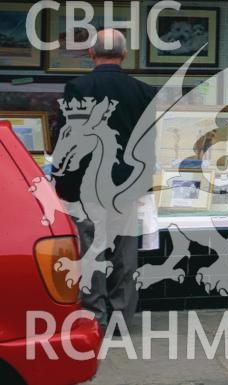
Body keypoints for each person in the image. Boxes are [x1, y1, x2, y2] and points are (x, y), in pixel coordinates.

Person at [54, 28, 155, 325]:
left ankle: (94, 315)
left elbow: (67, 139)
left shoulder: (78, 87)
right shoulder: (143, 90)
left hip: (87, 186)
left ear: (91, 53)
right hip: (126, 186)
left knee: (92, 252)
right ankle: (122, 317)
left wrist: (65, 187)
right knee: (125, 252)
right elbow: (147, 143)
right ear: (124, 55)